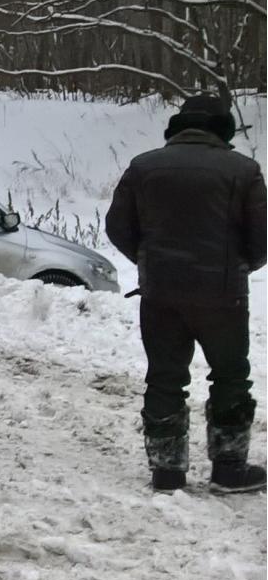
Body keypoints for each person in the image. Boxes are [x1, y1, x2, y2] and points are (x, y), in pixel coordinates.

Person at [107, 95, 267, 494]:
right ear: (222, 129)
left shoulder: (143, 167)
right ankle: (229, 469)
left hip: (160, 294)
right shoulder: (244, 171)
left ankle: (167, 472)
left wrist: (149, 262)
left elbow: (117, 227)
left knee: (164, 378)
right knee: (230, 376)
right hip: (223, 296)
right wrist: (237, 266)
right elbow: (261, 242)